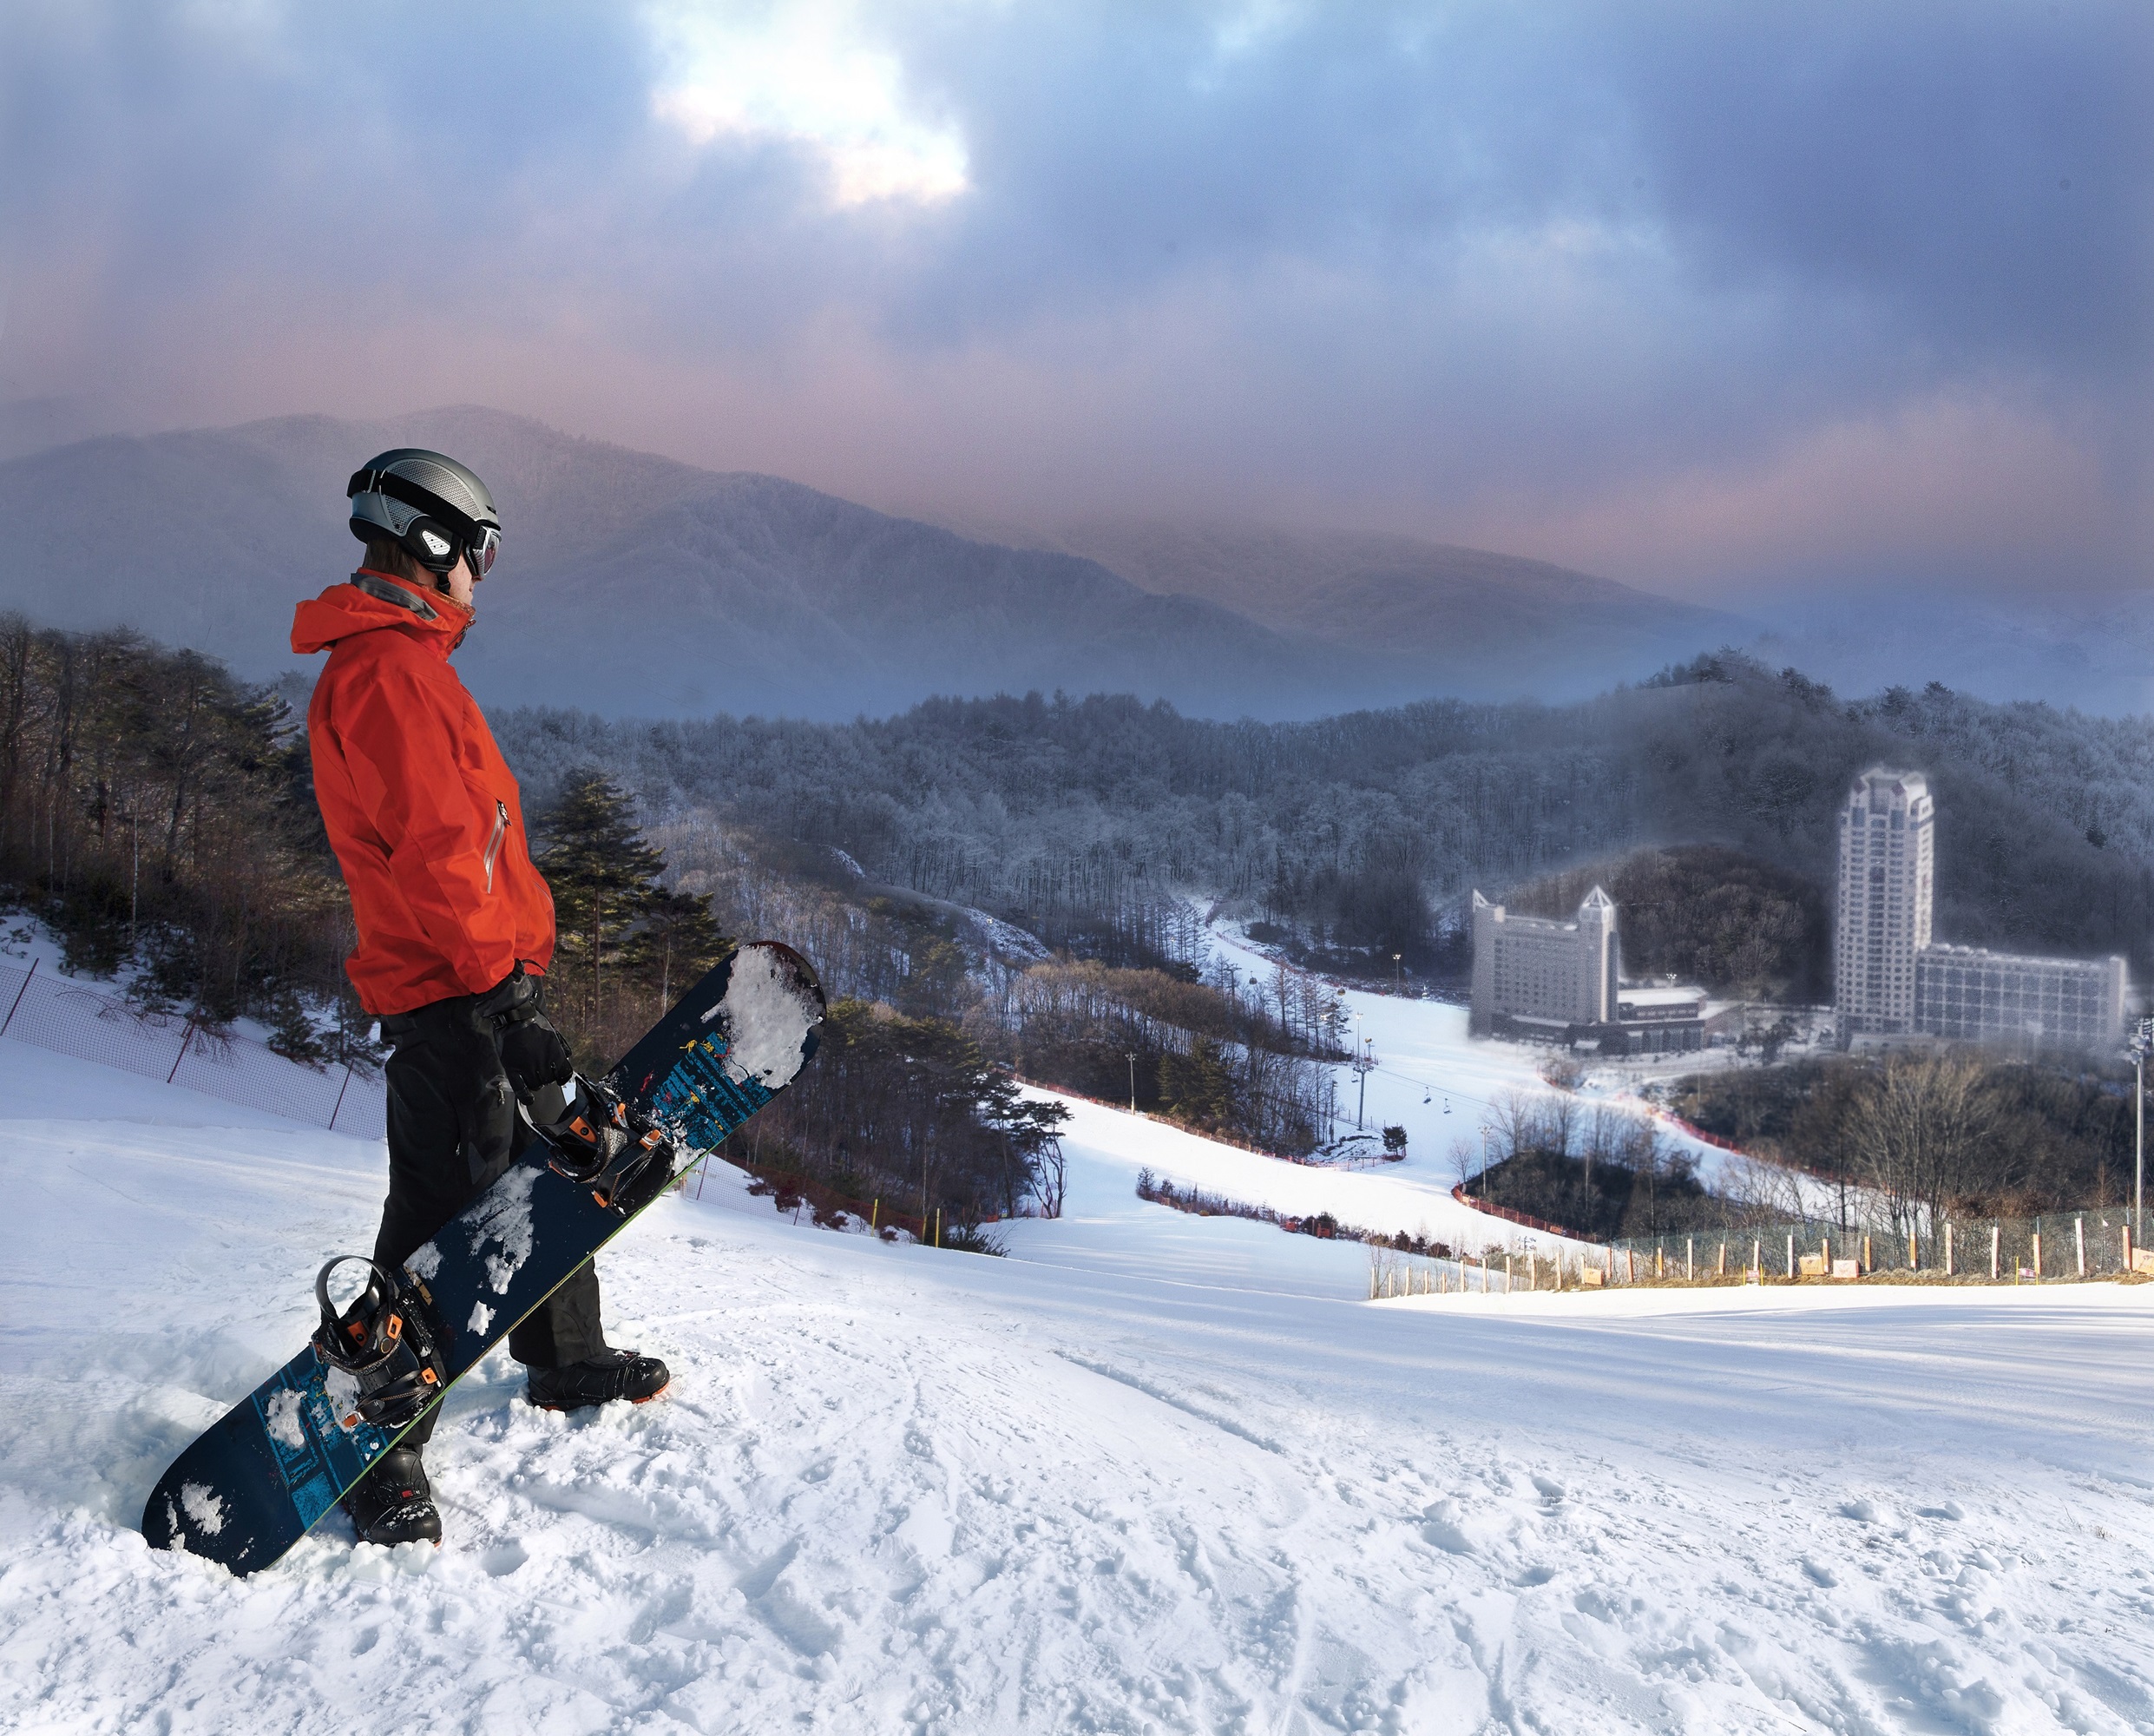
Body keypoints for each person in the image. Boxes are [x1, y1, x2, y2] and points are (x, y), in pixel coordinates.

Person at [290, 449, 669, 1548]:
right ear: (434, 543)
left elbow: (472, 843)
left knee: (551, 1162)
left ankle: (563, 1357)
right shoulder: (387, 673)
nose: (482, 574)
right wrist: (504, 1001)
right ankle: (378, 1442)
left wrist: (512, 984)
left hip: (481, 976)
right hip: (453, 988)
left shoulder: (406, 662)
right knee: (440, 1213)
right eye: (481, 551)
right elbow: (440, 853)